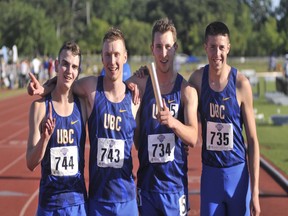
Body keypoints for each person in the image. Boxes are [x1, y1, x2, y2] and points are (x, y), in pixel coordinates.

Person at [28, 28, 139, 216]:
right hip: (78, 202)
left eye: (116, 55)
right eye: (107, 55)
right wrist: (44, 88)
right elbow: (65, 82)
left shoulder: (135, 96)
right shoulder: (90, 91)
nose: (112, 60)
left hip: (109, 200)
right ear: (102, 58)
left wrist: (136, 78)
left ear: (125, 57)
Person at [127, 17, 198, 215]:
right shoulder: (141, 83)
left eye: (168, 46)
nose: (163, 53)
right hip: (147, 186)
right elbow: (110, 87)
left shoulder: (186, 90)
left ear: (175, 47)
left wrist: (173, 122)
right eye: (159, 47)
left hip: (175, 188)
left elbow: (193, 137)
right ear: (152, 49)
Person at [188, 21, 261, 216]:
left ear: (228, 48)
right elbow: (172, 86)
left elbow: (253, 140)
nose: (217, 54)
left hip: (237, 175)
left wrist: (254, 191)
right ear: (205, 47)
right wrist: (141, 78)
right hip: (211, 176)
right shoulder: (197, 80)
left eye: (221, 47)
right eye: (212, 47)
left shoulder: (241, 85)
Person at [26, 41, 88, 215]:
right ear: (56, 64)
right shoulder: (39, 107)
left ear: (79, 72)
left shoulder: (83, 105)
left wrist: (137, 80)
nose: (69, 71)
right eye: (65, 64)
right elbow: (30, 163)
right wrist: (44, 140)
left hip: (78, 204)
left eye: (74, 67)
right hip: (49, 205)